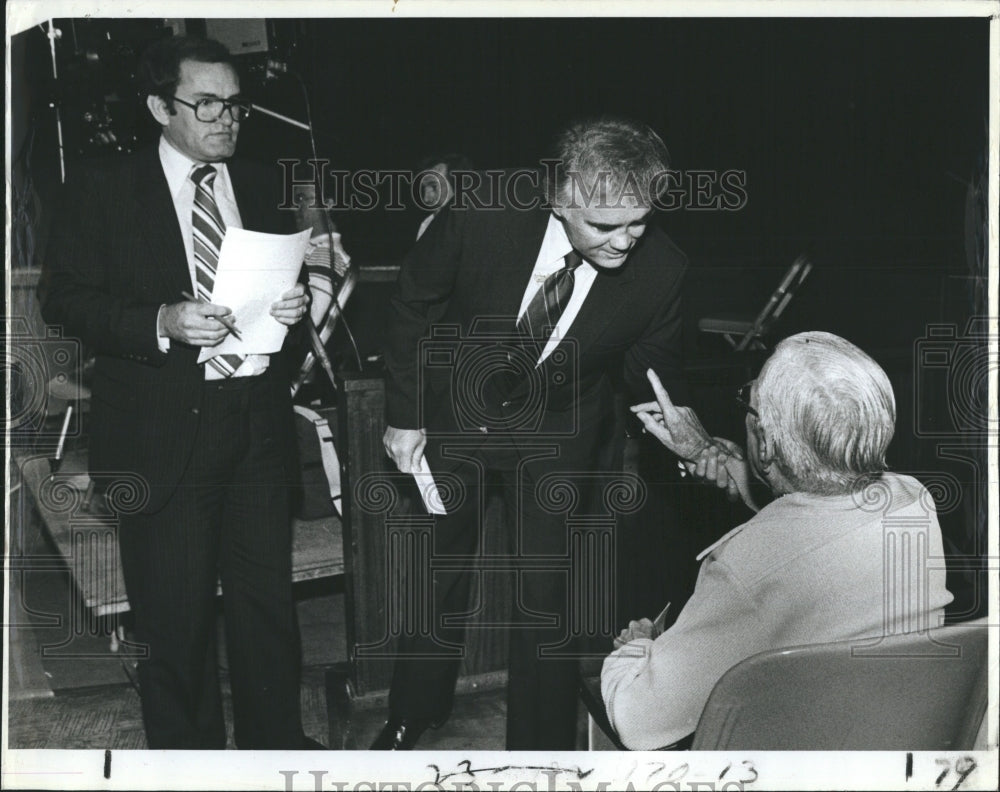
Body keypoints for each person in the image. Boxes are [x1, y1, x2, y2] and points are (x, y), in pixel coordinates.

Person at [39, 36, 318, 750]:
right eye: (207, 104)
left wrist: (296, 304)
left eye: (235, 104)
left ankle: (272, 752)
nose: (227, 119)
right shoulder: (103, 188)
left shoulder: (258, 182)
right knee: (176, 625)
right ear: (161, 106)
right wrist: (159, 321)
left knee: (267, 615)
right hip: (160, 433)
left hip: (255, 425)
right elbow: (63, 298)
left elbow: (293, 284)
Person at [378, 117, 688, 750]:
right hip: (454, 417)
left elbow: (642, 376)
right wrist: (405, 414)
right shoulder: (482, 210)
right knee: (437, 572)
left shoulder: (664, 270)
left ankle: (540, 750)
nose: (626, 242)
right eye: (605, 226)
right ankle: (415, 711)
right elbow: (414, 301)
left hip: (559, 432)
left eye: (639, 223)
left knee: (547, 596)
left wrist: (675, 422)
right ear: (559, 198)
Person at [602, 332, 954, 749]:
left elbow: (637, 721)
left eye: (750, 399)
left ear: (765, 442)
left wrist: (640, 647)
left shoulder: (744, 569)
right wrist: (710, 454)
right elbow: (820, 526)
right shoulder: (913, 501)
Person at [412, 153, 473, 240]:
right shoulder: (427, 226)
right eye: (424, 189)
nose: (426, 199)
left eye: (433, 187)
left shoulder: (484, 226)